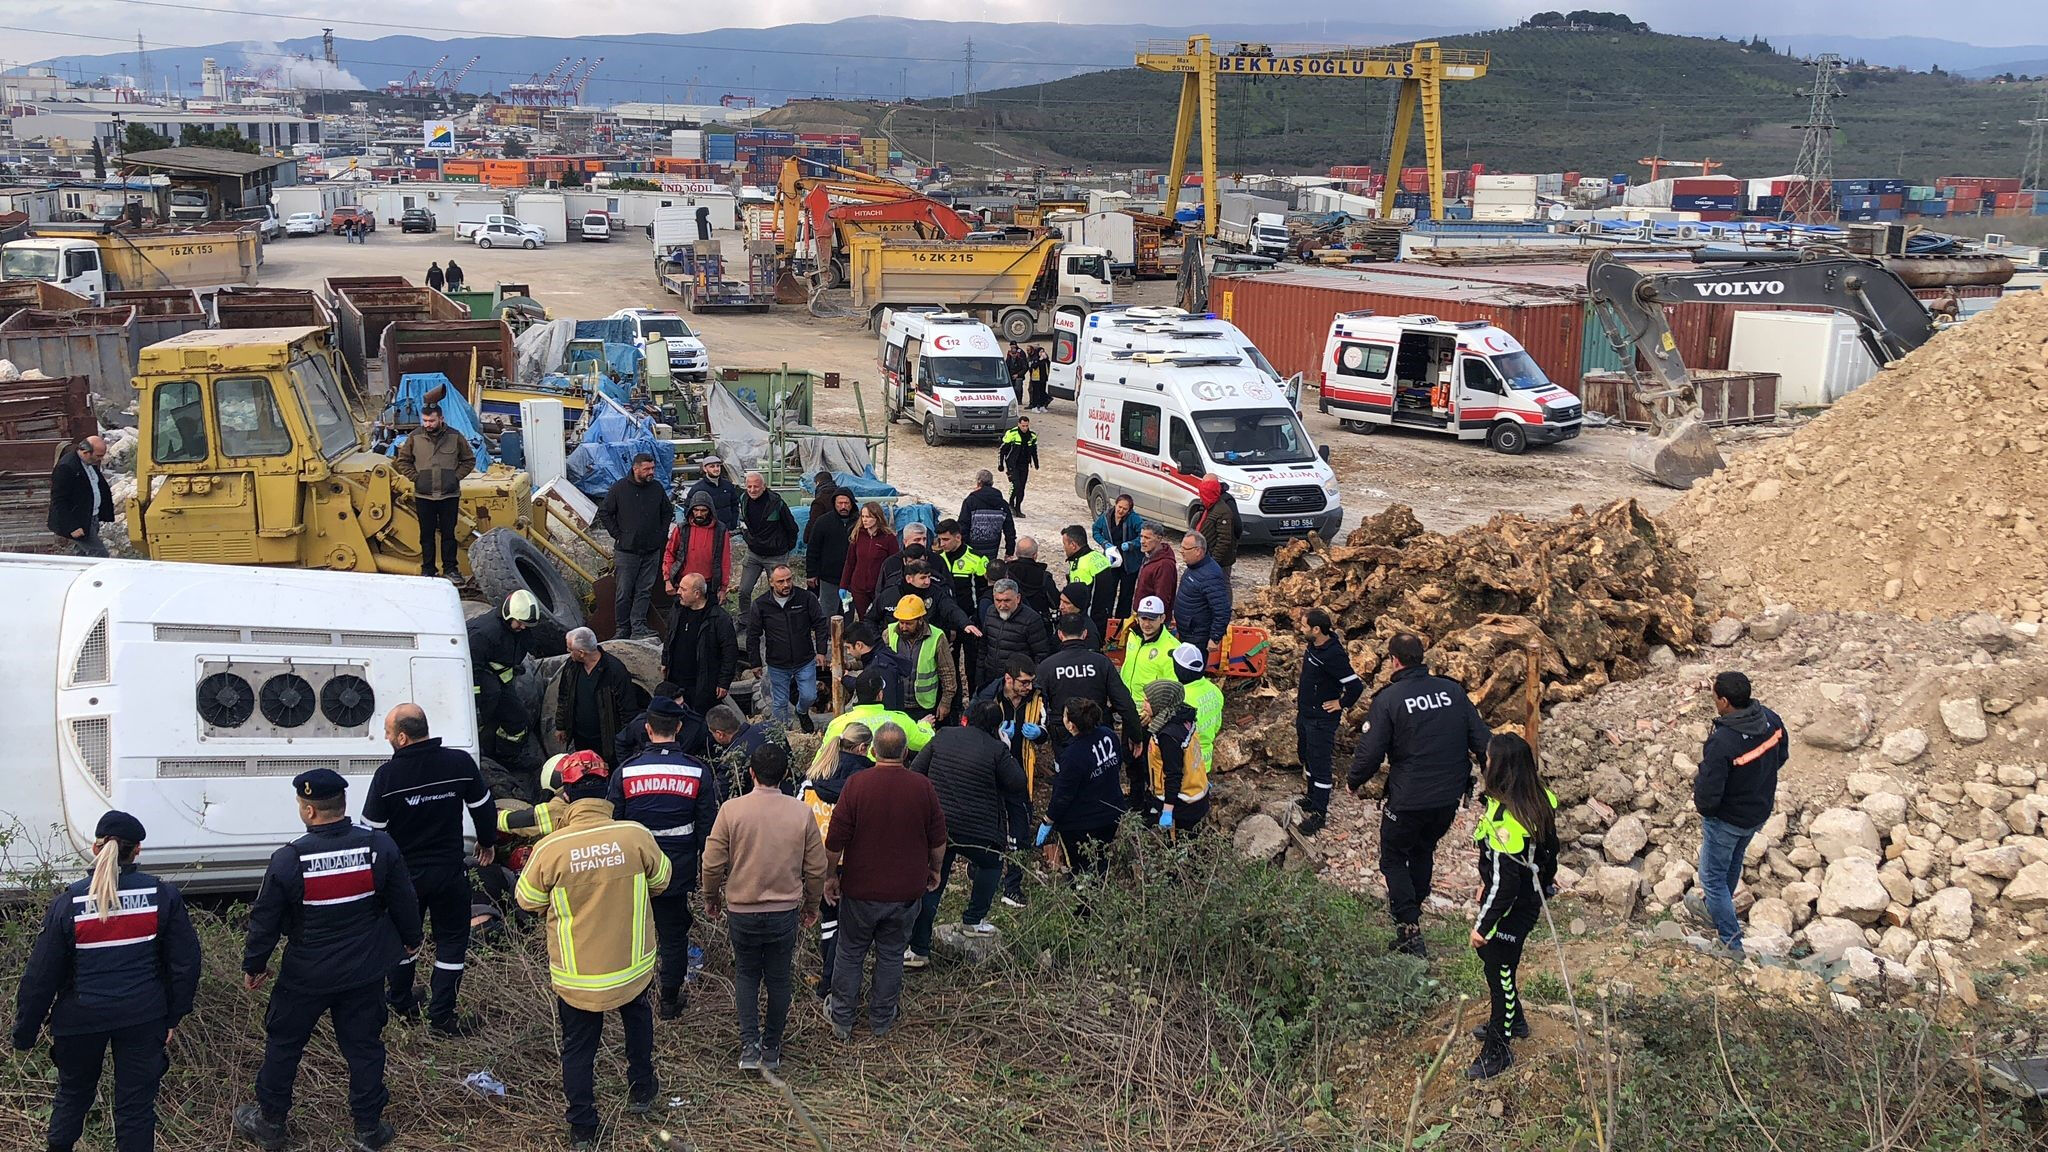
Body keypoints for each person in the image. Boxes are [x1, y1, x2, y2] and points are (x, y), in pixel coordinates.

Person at [235, 770, 421, 1152]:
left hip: (306, 974)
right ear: (343, 805)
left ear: (308, 811)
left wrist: (255, 965)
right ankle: (369, 1129)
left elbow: (265, 920)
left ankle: (270, 1123)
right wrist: (411, 941)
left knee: (284, 1046)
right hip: (363, 971)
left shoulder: (290, 859)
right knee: (364, 1048)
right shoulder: (379, 847)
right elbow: (404, 900)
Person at [13, 810, 201, 1152]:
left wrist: (25, 1031)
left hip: (80, 1019)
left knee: (72, 1096)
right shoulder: (162, 897)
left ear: (97, 848)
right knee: (136, 1108)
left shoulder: (69, 902)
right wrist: (173, 1016)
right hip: (143, 1017)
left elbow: (41, 975)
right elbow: (185, 963)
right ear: (138, 851)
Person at [513, 752, 669, 1148]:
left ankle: (583, 1126)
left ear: (566, 794)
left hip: (577, 976)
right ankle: (642, 1090)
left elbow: (527, 899)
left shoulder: (552, 848)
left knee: (578, 1049)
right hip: (632, 967)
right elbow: (663, 880)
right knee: (638, 1024)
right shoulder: (635, 835)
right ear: (606, 791)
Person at [1347, 633, 1492, 959]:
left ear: (1394, 660)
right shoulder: (1452, 691)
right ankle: (1414, 910)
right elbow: (1484, 741)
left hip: (1408, 799)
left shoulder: (1390, 699)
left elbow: (1371, 751)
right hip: (1447, 798)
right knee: (1424, 850)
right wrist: (1495, 788)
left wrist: (1353, 781)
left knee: (1394, 857)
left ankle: (1409, 927)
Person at [362, 705, 495, 1037]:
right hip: (449, 872)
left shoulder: (387, 777)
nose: (386, 737)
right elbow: (483, 805)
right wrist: (487, 842)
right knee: (452, 942)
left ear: (403, 737)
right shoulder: (459, 764)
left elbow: (372, 832)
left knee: (404, 939)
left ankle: (402, 1000)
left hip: (405, 878)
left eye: (389, 732)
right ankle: (441, 1018)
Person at [701, 744, 826, 1072]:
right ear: (786, 775)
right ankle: (772, 1045)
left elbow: (712, 863)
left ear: (750, 773)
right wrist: (812, 905)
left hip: (742, 909)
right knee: (779, 978)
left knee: (746, 973)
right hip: (784, 911)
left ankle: (749, 1045)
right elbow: (816, 867)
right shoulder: (801, 813)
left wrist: (711, 898)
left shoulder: (731, 810)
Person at [824, 724, 948, 1041]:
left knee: (850, 953)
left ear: (872, 751)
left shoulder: (856, 785)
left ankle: (841, 1019)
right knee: (892, 955)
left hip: (860, 890)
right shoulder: (922, 787)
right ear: (905, 753)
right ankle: (881, 1019)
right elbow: (938, 840)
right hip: (906, 891)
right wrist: (934, 870)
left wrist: (829, 876)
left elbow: (835, 840)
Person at [612, 698, 720, 1019]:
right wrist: (707, 873)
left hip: (634, 871)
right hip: (676, 871)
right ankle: (669, 1002)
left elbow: (614, 826)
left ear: (647, 729)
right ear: (679, 728)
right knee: (674, 936)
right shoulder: (697, 772)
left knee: (634, 934)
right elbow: (707, 830)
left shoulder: (625, 772)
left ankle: (631, 999)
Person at [1467, 732, 1559, 1081]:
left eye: (1487, 760)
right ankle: (1513, 1020)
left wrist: (1484, 926)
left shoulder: (1508, 823)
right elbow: (1550, 853)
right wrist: (1544, 883)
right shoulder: (1536, 801)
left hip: (1512, 908)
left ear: (1500, 768)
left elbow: (1505, 886)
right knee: (1500, 965)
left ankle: (1498, 1049)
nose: (1483, 764)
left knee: (1498, 971)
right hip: (1527, 899)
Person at [909, 700, 1027, 961]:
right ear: (997, 727)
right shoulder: (997, 750)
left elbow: (916, 771)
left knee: (932, 881)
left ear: (965, 719)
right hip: (981, 829)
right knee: (991, 867)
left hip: (940, 826)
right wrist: (1006, 750)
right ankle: (973, 920)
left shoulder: (943, 737)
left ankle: (918, 949)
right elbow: (1018, 783)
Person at [1685, 670, 1788, 956]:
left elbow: (1708, 792)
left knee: (1713, 878)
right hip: (1757, 812)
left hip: (1727, 820)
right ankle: (1714, 910)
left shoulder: (1724, 742)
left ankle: (1732, 943)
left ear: (1726, 702)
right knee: (1732, 863)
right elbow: (1782, 755)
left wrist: (1710, 811)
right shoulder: (1770, 720)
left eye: (1715, 697)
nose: (1714, 702)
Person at [799, 723, 872, 998]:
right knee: (847, 926)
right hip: (850, 860)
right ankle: (832, 983)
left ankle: (827, 977)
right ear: (863, 748)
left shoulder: (812, 775)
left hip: (815, 860)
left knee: (828, 921)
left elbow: (797, 815)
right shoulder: (866, 778)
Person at [972, 656, 1048, 908]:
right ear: (1008, 679)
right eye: (1024, 683)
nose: (1028, 687)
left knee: (1020, 830)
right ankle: (979, 873)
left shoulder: (1037, 698)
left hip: (1021, 772)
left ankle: (1012, 887)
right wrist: (994, 731)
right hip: (991, 774)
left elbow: (1048, 726)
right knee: (986, 827)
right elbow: (971, 728)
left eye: (1030, 682)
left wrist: (1040, 734)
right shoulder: (988, 697)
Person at [1295, 609, 1365, 836]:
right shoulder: (1314, 646)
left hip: (1321, 720)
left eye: (1304, 626)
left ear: (1317, 630)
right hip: (1306, 713)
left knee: (1320, 763)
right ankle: (1310, 796)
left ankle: (1319, 812)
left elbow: (1355, 686)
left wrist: (1341, 703)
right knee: (1306, 756)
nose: (1300, 629)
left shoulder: (1333, 655)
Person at [1038, 699, 1126, 878]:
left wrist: (1048, 820)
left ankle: (1084, 902)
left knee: (1080, 868)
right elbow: (1117, 764)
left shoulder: (1072, 755)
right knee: (1100, 858)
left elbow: (1063, 794)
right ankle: (1099, 889)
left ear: (1071, 725)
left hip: (1081, 823)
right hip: (1111, 812)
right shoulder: (1108, 735)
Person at [1038, 611, 1142, 754]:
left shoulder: (1047, 666)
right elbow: (1124, 703)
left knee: (1068, 773)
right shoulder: (1101, 662)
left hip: (1064, 736)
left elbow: (1038, 705)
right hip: (1098, 733)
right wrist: (1136, 735)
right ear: (1085, 633)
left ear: (1060, 635)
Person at [392, 404, 475, 580]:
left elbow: (468, 460)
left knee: (449, 535)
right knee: (426, 536)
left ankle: (451, 569)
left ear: (441, 419)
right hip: (424, 496)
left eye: (431, 420)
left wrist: (455, 477)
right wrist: (416, 478)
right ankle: (428, 569)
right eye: (425, 420)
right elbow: (403, 461)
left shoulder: (455, 436)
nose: (428, 424)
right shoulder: (415, 437)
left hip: (449, 495)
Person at [747, 564, 831, 732]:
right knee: (779, 703)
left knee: (809, 696)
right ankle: (783, 734)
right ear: (771, 583)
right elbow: (752, 635)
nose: (786, 585)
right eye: (780, 581)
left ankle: (801, 711)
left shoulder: (805, 598)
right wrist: (755, 662)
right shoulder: (761, 604)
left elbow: (820, 623)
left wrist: (821, 651)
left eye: (788, 580)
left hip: (805, 659)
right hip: (777, 663)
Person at [597, 453, 670, 640]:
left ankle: (639, 627)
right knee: (624, 591)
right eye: (647, 469)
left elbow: (667, 512)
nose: (651, 472)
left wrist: (660, 536)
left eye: (652, 468)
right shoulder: (620, 488)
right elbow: (605, 512)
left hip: (651, 551)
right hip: (626, 552)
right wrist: (618, 536)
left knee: (644, 591)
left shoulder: (656, 488)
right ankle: (622, 629)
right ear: (635, 469)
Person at [811, 668, 932, 778]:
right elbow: (925, 742)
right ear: (880, 694)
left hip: (846, 785)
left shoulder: (838, 723)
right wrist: (924, 725)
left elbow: (820, 762)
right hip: (887, 784)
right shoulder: (900, 720)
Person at [469, 591, 542, 770]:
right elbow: (472, 668)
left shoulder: (518, 629)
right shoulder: (484, 633)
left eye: (527, 625)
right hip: (481, 683)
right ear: (509, 615)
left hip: (500, 679)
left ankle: (507, 758)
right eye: (521, 623)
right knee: (479, 724)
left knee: (518, 721)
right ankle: (482, 757)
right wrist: (476, 701)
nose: (523, 627)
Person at [553, 628, 634, 765]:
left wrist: (624, 741)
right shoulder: (571, 666)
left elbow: (627, 709)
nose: (568, 653)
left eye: (570, 650)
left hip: (606, 740)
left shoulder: (614, 671)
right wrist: (561, 726)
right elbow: (564, 696)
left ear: (582, 653)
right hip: (580, 738)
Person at [662, 572, 738, 718]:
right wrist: (665, 661)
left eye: (683, 589)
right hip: (676, 681)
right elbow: (668, 637)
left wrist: (724, 682)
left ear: (697, 594)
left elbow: (730, 652)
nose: (678, 592)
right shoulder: (677, 610)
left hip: (703, 685)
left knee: (699, 722)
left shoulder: (718, 618)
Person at [736, 472, 799, 641]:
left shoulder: (776, 502)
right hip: (754, 553)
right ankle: (744, 620)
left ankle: (780, 621)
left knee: (780, 590)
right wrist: (748, 538)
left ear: (763, 486)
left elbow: (792, 527)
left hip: (776, 555)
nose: (752, 489)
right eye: (749, 486)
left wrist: (786, 547)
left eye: (756, 486)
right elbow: (743, 522)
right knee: (744, 590)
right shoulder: (743, 499)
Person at [1138, 678, 1207, 833]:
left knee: (1178, 846)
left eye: (1148, 701)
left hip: (1183, 804)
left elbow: (1173, 774)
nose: (1143, 705)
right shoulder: (1184, 716)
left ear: (1161, 702)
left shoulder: (1168, 736)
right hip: (1196, 793)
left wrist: (1168, 811)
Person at [880, 593, 959, 724]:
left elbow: (947, 673)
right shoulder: (889, 634)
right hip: (895, 703)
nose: (903, 627)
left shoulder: (937, 637)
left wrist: (945, 703)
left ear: (920, 619)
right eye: (901, 622)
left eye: (908, 623)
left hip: (923, 706)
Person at [704, 703, 795, 802]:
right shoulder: (769, 727)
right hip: (793, 792)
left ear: (719, 734)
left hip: (765, 804)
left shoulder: (733, 760)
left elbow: (718, 796)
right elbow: (791, 759)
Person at [977, 577, 1053, 691]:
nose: (1002, 605)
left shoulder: (1031, 620)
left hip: (1017, 684)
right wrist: (979, 678)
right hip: (991, 680)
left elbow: (1041, 655)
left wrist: (1029, 683)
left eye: (1007, 600)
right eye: (998, 600)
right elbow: (983, 648)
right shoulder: (990, 613)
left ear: (1017, 598)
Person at [48, 434, 115, 557]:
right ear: (86, 452)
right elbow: (59, 500)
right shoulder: (67, 467)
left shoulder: (89, 464)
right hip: (79, 521)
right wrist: (72, 527)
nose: (100, 459)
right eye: (98, 456)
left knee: (82, 555)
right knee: (99, 554)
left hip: (91, 517)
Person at [664, 490, 731, 605]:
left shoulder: (720, 530)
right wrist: (667, 580)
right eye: (696, 510)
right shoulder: (682, 529)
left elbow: (725, 560)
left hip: (709, 585)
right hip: (683, 583)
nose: (699, 514)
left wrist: (723, 588)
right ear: (691, 510)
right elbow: (669, 553)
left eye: (703, 510)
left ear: (710, 511)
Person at [1173, 533, 1231, 658]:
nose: (1181, 551)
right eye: (1181, 547)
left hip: (1197, 636)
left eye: (1185, 549)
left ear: (1198, 551)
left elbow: (1222, 610)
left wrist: (1215, 638)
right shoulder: (1193, 567)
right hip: (1186, 632)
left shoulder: (1210, 575)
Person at [1171, 641, 1223, 781]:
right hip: (1205, 761)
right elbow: (1217, 725)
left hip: (1185, 765)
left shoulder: (1180, 698)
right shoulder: (1215, 690)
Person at [840, 502, 899, 619]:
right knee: (864, 618)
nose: (864, 520)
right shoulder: (857, 535)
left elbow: (895, 565)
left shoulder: (888, 538)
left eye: (868, 517)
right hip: (859, 587)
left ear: (877, 518)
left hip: (880, 588)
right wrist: (844, 585)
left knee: (881, 618)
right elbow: (850, 562)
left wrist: (892, 587)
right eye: (863, 516)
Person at [1092, 493, 1144, 621]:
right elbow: (1095, 531)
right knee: (1108, 593)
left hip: (1129, 563)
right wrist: (1104, 543)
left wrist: (1132, 544)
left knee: (1126, 595)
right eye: (1119, 507)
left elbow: (1142, 536)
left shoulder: (1134, 519)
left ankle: (1121, 624)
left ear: (1129, 510)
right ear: (1115, 504)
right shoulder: (1105, 517)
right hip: (1112, 560)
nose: (1121, 511)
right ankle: (1106, 621)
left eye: (1125, 509)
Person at [807, 489, 858, 616]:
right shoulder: (823, 522)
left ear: (852, 504)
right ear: (834, 504)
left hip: (852, 578)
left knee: (847, 611)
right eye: (840, 503)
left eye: (846, 503)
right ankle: (828, 635)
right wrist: (811, 573)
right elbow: (813, 549)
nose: (843, 507)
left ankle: (846, 635)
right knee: (828, 611)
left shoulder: (859, 523)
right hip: (828, 577)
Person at [1119, 596, 1181, 699]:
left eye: (1152, 619)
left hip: (1149, 709)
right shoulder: (1132, 635)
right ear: (1137, 617)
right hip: (1126, 703)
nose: (1147, 624)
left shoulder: (1172, 648)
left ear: (1162, 618)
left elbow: (1173, 687)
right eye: (1143, 618)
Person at [1059, 525, 1114, 638]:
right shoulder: (1099, 557)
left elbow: (1078, 600)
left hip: (1090, 622)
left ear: (1073, 545)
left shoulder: (1080, 566)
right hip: (1104, 613)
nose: (1064, 547)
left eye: (1065, 544)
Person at [959, 469, 1016, 560]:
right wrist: (1009, 551)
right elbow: (1009, 530)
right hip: (992, 549)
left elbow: (963, 526)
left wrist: (961, 548)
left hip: (971, 549)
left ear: (978, 482)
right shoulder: (1002, 504)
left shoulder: (970, 501)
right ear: (992, 483)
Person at [1192, 476, 1242, 571]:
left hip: (1217, 561)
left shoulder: (1222, 509)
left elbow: (1224, 539)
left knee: (1221, 583)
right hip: (1206, 557)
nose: (1200, 498)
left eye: (1202, 494)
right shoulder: (1209, 507)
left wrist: (1213, 561)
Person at [1134, 522, 1178, 624]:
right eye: (1141, 537)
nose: (1142, 541)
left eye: (1147, 538)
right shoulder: (1150, 556)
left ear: (1159, 538)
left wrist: (1152, 621)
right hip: (1143, 617)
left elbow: (1162, 598)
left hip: (1152, 622)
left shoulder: (1164, 565)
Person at [1007, 535, 1057, 625]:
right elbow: (1055, 603)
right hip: (1039, 622)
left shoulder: (1006, 572)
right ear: (1035, 555)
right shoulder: (1044, 577)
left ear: (1016, 553)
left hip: (1012, 622)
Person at [686, 455, 742, 532]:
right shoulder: (697, 488)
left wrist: (733, 523)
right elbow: (688, 509)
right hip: (707, 531)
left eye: (718, 466)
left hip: (727, 529)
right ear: (705, 469)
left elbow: (735, 505)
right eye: (712, 466)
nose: (716, 469)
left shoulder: (728, 485)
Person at [998, 416, 1039, 516]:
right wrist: (1000, 464)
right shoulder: (1012, 434)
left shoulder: (1032, 436)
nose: (1025, 428)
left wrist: (1036, 462)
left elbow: (1034, 450)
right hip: (1012, 464)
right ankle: (1011, 504)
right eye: (1023, 426)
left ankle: (1018, 507)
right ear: (1019, 424)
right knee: (1016, 485)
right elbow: (1002, 450)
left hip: (1024, 464)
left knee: (1022, 487)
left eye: (1027, 426)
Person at [1027, 345, 1052, 411]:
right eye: (1040, 352)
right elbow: (1033, 366)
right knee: (1036, 393)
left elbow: (1049, 366)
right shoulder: (1035, 359)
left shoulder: (1045, 360)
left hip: (1043, 378)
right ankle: (1034, 407)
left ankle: (1042, 406)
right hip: (1036, 379)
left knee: (1042, 392)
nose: (1042, 353)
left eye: (1043, 351)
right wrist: (1039, 360)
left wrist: (1046, 359)